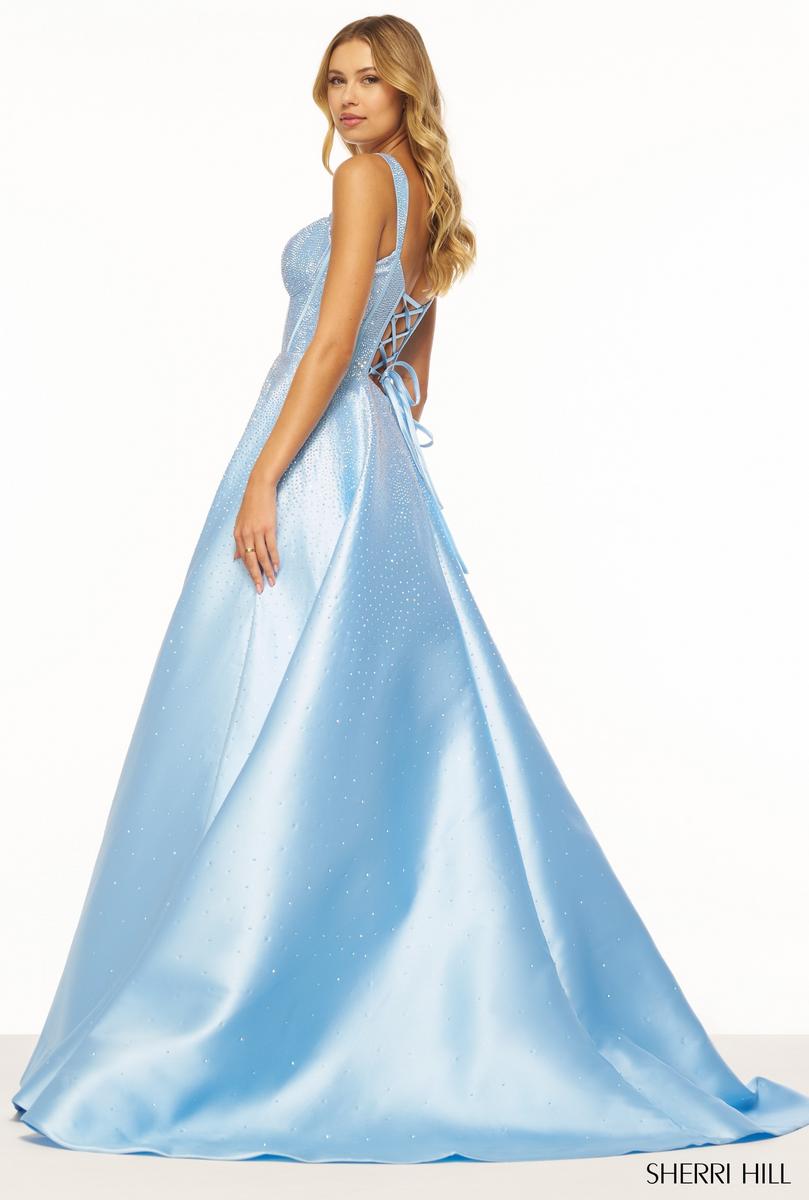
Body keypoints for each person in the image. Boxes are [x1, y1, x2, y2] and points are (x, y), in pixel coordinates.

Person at [12, 14, 809, 1164]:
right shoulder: (425, 194)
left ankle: (239, 1018)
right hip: (375, 469)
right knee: (368, 734)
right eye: (332, 80)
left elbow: (330, 347)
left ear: (405, 92)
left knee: (268, 715)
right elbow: (411, 364)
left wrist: (267, 477)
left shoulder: (358, 183)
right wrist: (364, 437)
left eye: (368, 80)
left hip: (314, 465)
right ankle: (352, 1004)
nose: (345, 98)